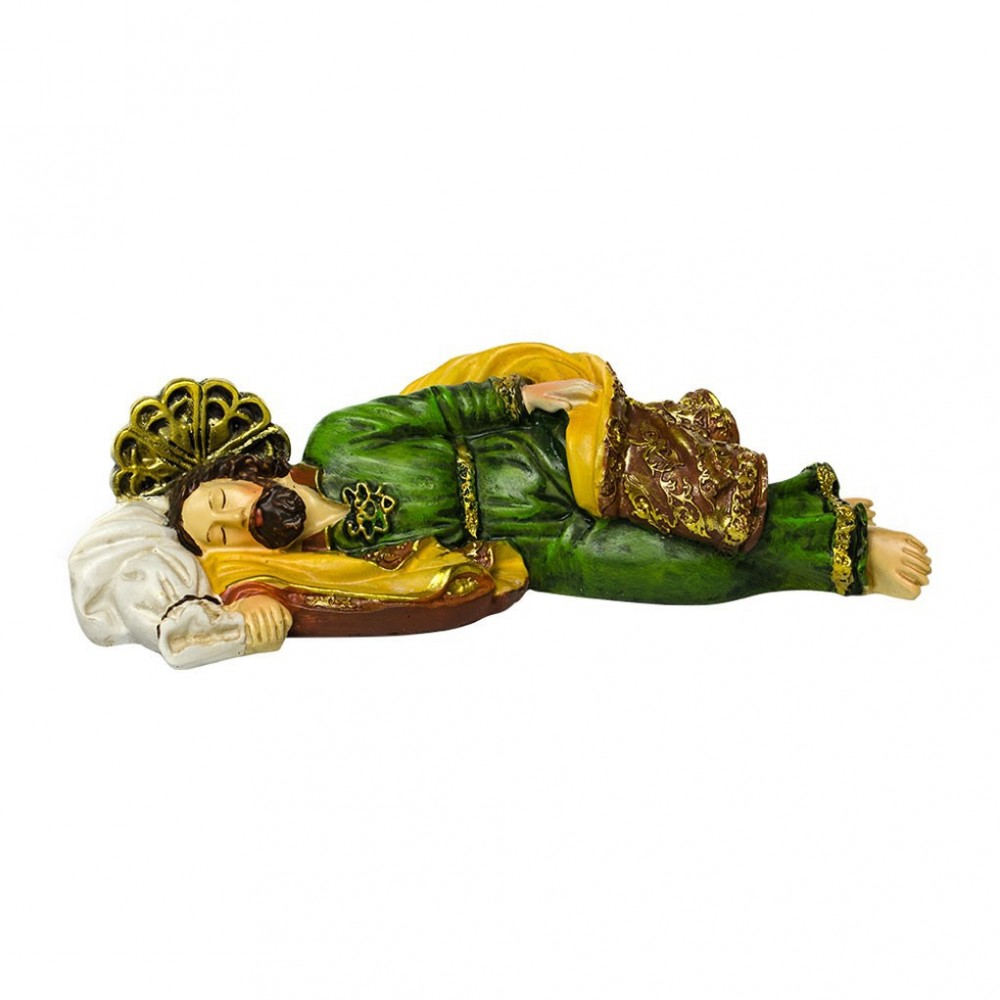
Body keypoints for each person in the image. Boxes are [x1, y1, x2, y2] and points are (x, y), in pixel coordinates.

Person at [160, 343, 930, 657]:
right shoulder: (330, 568)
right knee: (694, 573)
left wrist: (519, 398)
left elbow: (436, 409)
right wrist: (254, 607)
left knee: (683, 499)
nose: (235, 517)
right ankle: (810, 518)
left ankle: (851, 554)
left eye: (224, 497)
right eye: (222, 532)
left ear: (248, 473)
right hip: (535, 544)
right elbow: (260, 598)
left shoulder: (338, 439)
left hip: (528, 457)